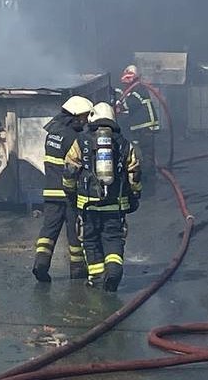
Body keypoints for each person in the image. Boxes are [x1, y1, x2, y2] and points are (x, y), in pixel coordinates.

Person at [69, 102, 141, 292]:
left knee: (91, 240)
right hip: (115, 205)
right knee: (113, 238)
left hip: (88, 204)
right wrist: (135, 194)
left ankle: (97, 278)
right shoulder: (124, 143)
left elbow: (70, 169)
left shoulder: (81, 140)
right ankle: (114, 272)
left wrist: (70, 193)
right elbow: (134, 172)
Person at [32, 95, 93, 283]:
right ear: (74, 116)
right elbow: (77, 165)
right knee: (74, 233)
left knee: (48, 231)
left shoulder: (53, 134)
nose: (85, 121)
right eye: (83, 117)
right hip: (69, 193)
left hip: (51, 192)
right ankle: (77, 269)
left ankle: (40, 264)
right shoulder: (73, 137)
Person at [116, 65, 161, 182]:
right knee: (141, 151)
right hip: (140, 127)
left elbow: (131, 103)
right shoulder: (134, 89)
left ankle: (149, 178)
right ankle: (146, 173)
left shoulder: (138, 89)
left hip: (145, 126)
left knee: (146, 153)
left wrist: (118, 105)